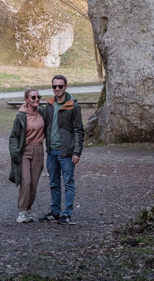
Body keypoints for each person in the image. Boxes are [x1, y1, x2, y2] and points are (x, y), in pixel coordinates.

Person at [39, 74, 85, 225]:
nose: (57, 89)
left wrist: (77, 152)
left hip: (66, 152)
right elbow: (44, 124)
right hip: (51, 151)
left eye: (60, 86)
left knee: (68, 183)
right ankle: (55, 212)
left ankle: (67, 214)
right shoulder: (50, 105)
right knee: (53, 182)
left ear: (66, 86)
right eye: (54, 86)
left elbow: (79, 130)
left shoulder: (73, 105)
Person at [8, 88, 46, 223]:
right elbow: (14, 136)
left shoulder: (42, 112)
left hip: (39, 150)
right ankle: (22, 211)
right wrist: (15, 153)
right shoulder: (21, 116)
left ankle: (28, 210)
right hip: (25, 150)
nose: (36, 100)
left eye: (38, 97)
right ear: (26, 100)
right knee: (26, 181)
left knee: (34, 184)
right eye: (33, 98)